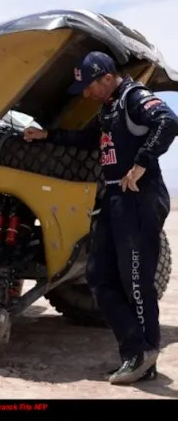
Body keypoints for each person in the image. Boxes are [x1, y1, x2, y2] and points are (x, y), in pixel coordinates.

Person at [24, 51, 178, 385]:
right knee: (98, 276)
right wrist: (47, 136)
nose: (85, 93)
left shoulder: (133, 98)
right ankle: (138, 352)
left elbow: (168, 121)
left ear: (106, 76)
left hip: (139, 197)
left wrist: (141, 163)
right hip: (114, 198)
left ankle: (141, 354)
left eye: (88, 85)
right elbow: (88, 139)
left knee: (136, 281)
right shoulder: (108, 108)